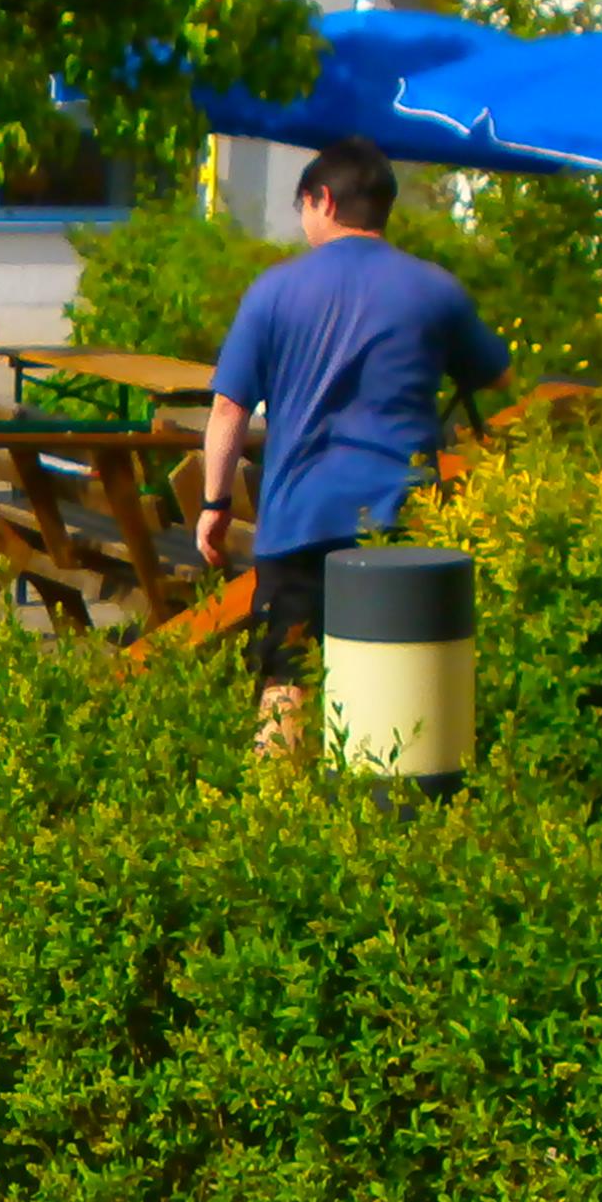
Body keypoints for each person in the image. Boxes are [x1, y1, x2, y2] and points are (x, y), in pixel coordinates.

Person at [194, 135, 509, 748]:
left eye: (303, 207)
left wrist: (215, 503)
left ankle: (278, 799)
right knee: (400, 685)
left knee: (287, 679)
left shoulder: (274, 291)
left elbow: (229, 407)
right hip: (403, 518)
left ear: (325, 200)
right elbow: (497, 376)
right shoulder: (435, 289)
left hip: (300, 520)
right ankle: (389, 800)